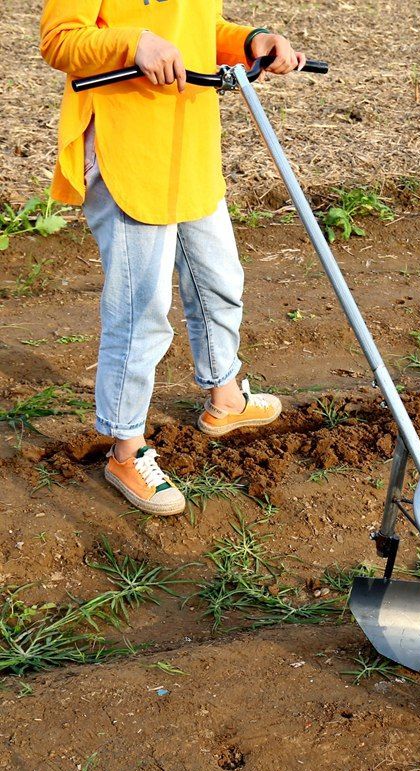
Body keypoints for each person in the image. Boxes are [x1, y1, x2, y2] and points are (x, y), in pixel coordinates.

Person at [39, 2, 303, 516]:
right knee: (142, 312)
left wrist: (251, 41)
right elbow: (58, 40)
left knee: (219, 279)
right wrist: (132, 41)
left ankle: (226, 399)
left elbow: (197, 28)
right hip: (128, 144)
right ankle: (124, 451)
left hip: (189, 140)